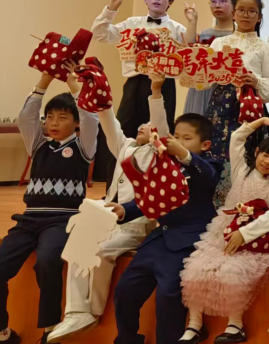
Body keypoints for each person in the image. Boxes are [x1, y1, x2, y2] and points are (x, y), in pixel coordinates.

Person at [0, 65, 98, 344]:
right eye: (50, 117)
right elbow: (26, 117)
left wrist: (73, 85)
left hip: (62, 220)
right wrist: (43, 81)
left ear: (76, 123)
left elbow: (91, 117)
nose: (53, 122)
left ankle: (49, 330)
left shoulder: (83, 146)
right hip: (28, 220)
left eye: (63, 117)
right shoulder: (38, 144)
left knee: (47, 262)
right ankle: (2, 334)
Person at [47, 72, 169, 342]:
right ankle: (75, 311)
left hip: (138, 222)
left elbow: (160, 125)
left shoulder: (161, 156)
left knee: (102, 251)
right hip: (108, 215)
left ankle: (92, 311)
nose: (144, 126)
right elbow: (106, 118)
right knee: (78, 244)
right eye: (142, 124)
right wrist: (89, 88)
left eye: (149, 125)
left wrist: (156, 92)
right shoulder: (125, 146)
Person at [108, 114, 222, 344]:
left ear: (205, 145)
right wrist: (124, 210)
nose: (178, 141)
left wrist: (184, 153)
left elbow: (208, 178)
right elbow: (152, 197)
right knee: (125, 289)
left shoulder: (210, 164)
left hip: (188, 240)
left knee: (168, 293)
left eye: (187, 138)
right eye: (176, 136)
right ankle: (128, 339)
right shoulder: (164, 164)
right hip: (159, 238)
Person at [180, 117, 269, 344]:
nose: (267, 162)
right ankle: (194, 325)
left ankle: (235, 325)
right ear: (257, 152)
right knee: (196, 270)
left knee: (232, 273)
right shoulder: (241, 171)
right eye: (265, 155)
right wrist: (262, 120)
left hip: (255, 238)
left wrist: (244, 234)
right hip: (223, 231)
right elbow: (236, 138)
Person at [204, 0, 269, 207]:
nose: (246, 15)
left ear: (259, 16)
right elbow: (205, 81)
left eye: (251, 11)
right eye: (241, 10)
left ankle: (244, 207)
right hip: (220, 106)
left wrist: (256, 81)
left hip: (250, 108)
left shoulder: (265, 47)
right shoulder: (219, 43)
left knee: (247, 156)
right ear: (234, 14)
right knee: (216, 152)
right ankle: (214, 208)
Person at [92, 0, 186, 136]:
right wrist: (112, 8)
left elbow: (189, 56)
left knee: (161, 132)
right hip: (134, 83)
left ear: (170, 2)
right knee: (124, 129)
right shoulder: (132, 23)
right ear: (145, 0)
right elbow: (100, 34)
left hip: (164, 85)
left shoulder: (178, 29)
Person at [182, 0, 236, 115]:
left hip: (227, 88)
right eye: (213, 1)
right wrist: (192, 22)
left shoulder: (238, 34)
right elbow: (190, 51)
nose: (217, 5)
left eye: (223, 1)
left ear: (234, 5)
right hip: (202, 87)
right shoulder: (206, 33)